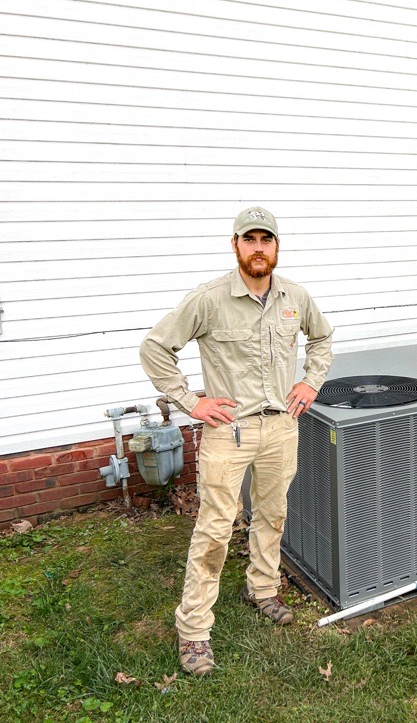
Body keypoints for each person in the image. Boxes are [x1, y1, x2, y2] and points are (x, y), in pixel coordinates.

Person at [140, 206, 334, 675]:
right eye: (250, 240)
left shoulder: (295, 297)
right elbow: (155, 347)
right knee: (215, 526)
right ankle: (194, 631)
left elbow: (322, 339)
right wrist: (191, 401)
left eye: (266, 239)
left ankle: (262, 588)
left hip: (280, 427)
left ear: (276, 247)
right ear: (236, 246)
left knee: (272, 513)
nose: (259, 248)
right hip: (229, 431)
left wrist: (310, 382)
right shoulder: (210, 300)